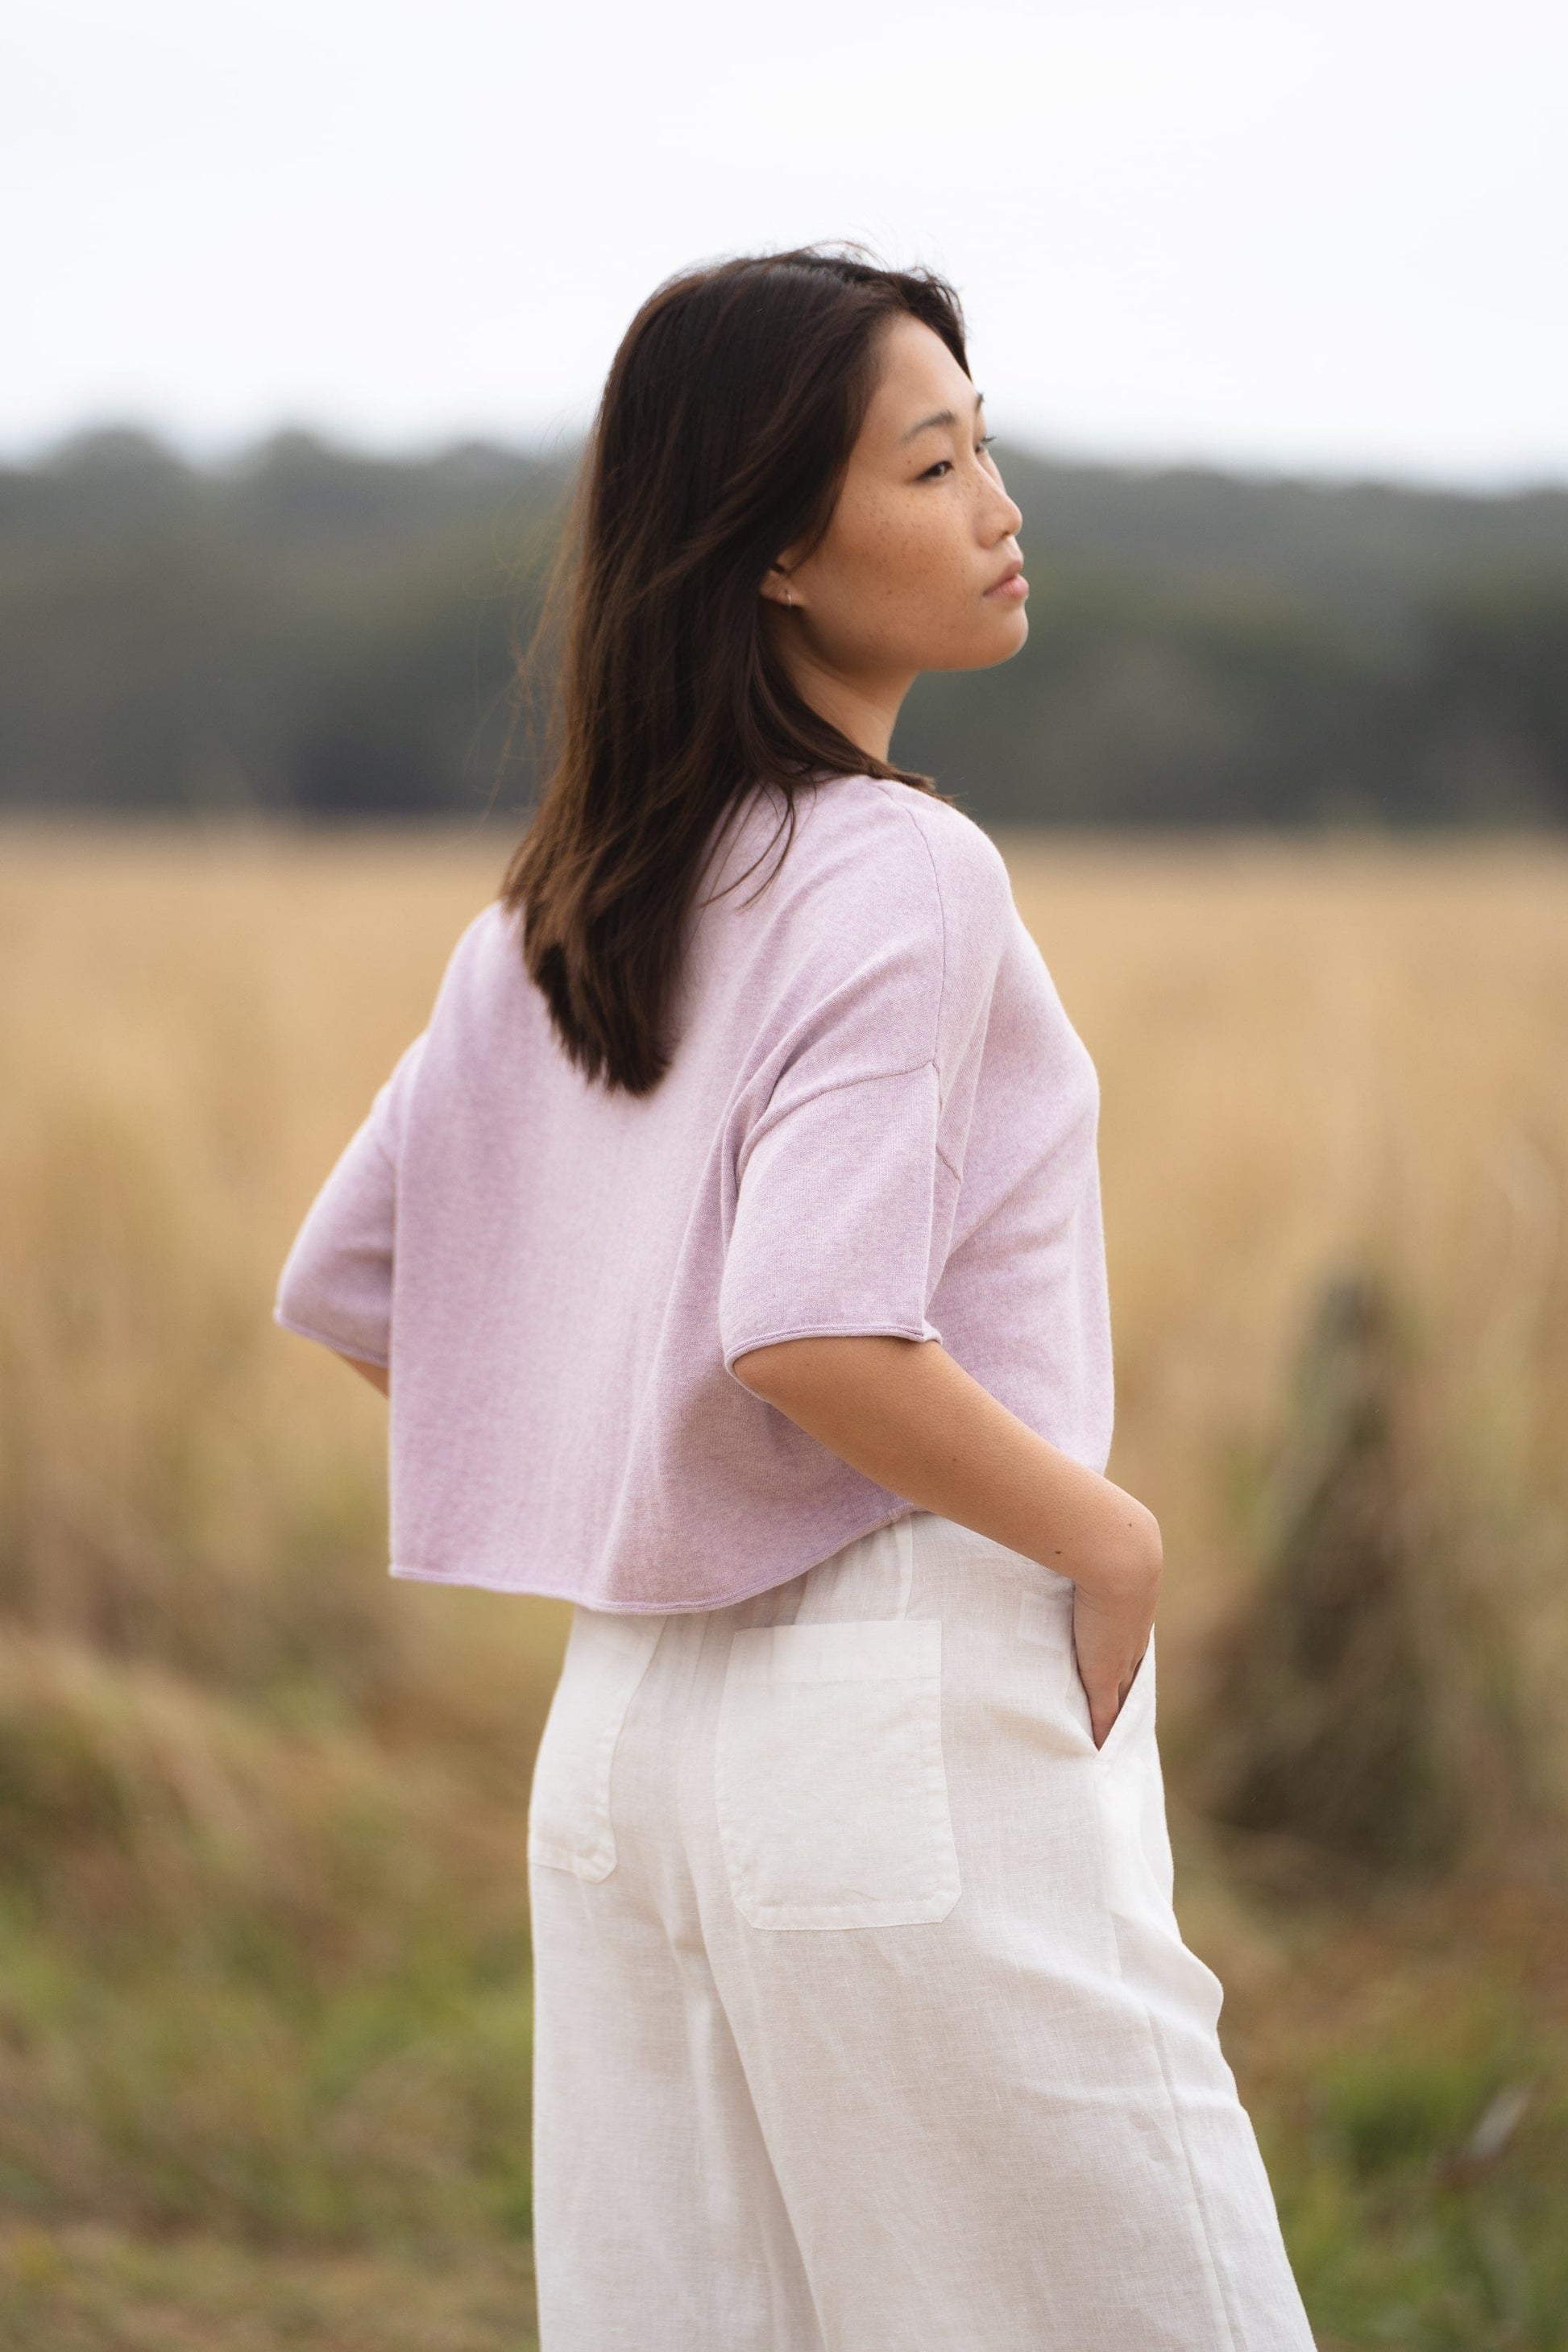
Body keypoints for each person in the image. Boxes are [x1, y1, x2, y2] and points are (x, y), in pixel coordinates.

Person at [273, 245, 1315, 2350]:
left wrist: (635, 1466)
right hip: (897, 1692)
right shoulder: (896, 864)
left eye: (983, 446)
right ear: (771, 550)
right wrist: (1101, 1533)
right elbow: (809, 1325)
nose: (998, 507)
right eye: (932, 466)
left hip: (624, 1749)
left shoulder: (558, 908)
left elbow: (352, 1277)